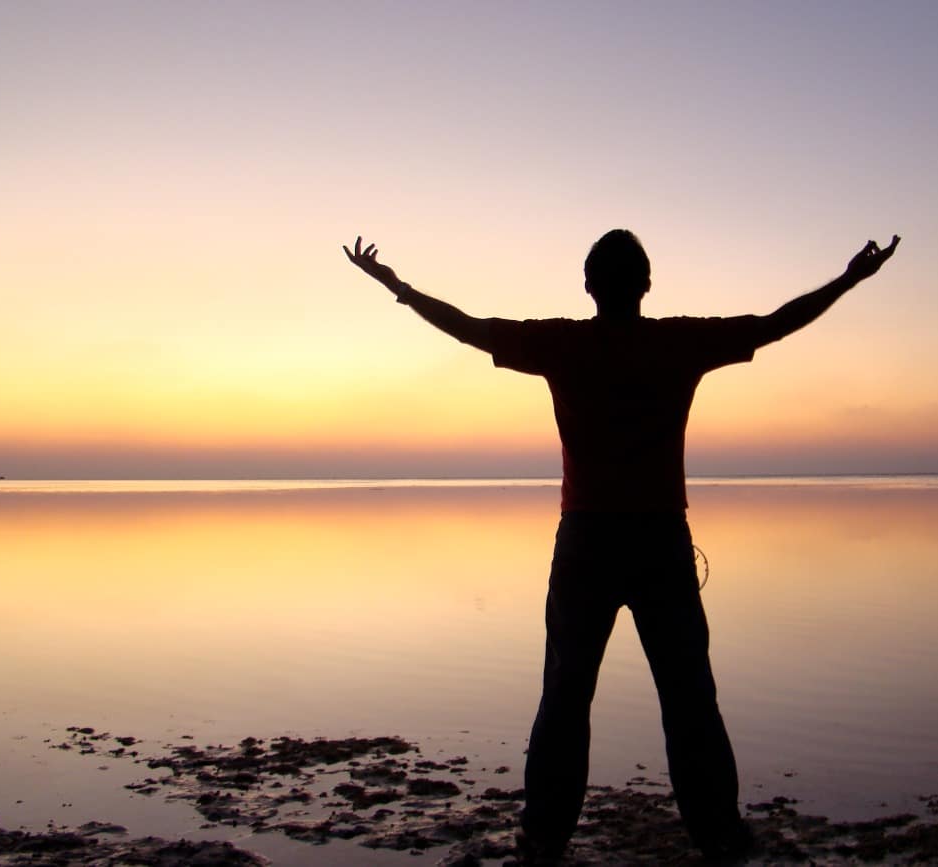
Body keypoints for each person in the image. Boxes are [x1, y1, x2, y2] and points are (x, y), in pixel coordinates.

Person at [344, 229, 899, 861]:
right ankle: (717, 835)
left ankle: (545, 838)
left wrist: (398, 287)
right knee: (689, 697)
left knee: (566, 696)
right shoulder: (676, 343)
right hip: (659, 540)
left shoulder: (564, 344)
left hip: (587, 541)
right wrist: (849, 280)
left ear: (588, 286)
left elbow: (469, 329)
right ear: (647, 284)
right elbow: (774, 325)